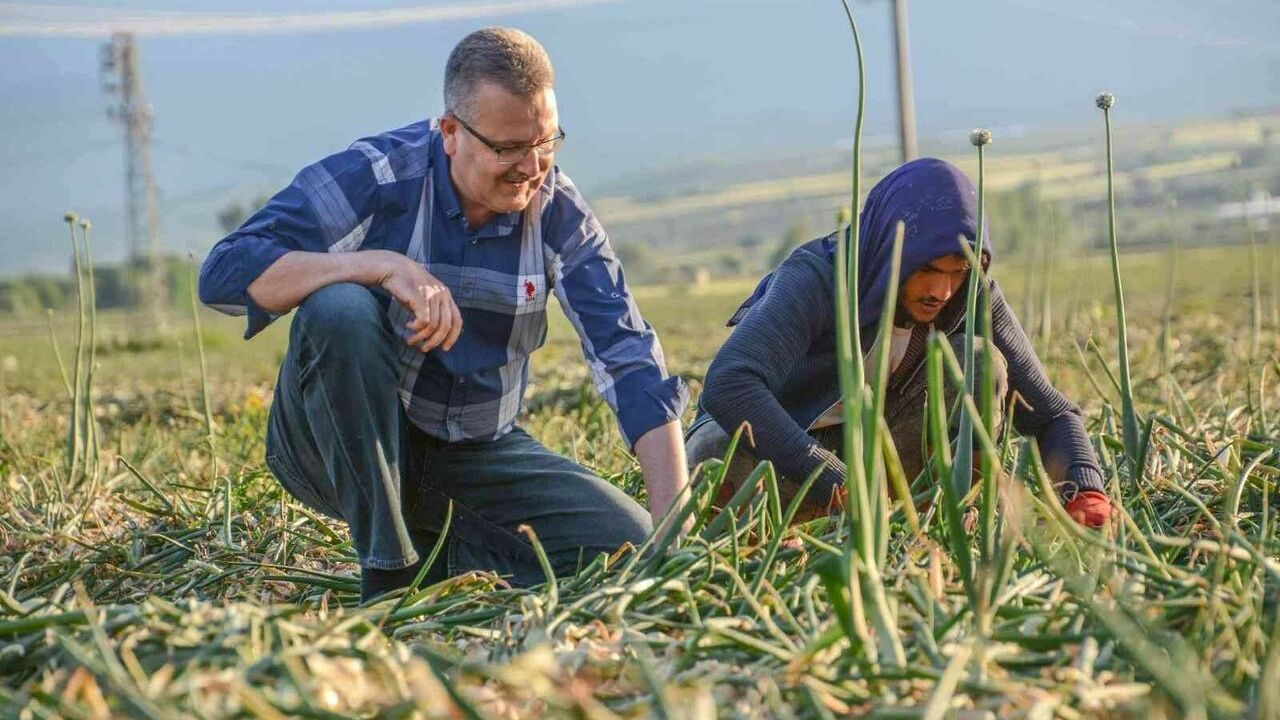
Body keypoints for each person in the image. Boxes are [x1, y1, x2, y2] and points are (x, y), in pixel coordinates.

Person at [199, 28, 690, 600]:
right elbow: (225, 273)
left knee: (624, 550)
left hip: (471, 452)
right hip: (336, 443)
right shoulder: (380, 178)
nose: (530, 168)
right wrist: (376, 265)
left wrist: (673, 547)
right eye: (508, 148)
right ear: (451, 132)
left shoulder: (558, 212)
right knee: (339, 309)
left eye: (546, 142)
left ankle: (431, 566)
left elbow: (630, 364)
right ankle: (386, 571)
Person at [686, 158, 1112, 529]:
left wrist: (1086, 493)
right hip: (786, 456)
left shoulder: (971, 293)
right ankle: (771, 535)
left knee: (978, 364)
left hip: (877, 465)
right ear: (893, 251)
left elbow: (1051, 414)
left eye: (958, 271)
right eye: (926, 268)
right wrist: (831, 478)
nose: (941, 291)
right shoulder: (817, 279)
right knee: (712, 449)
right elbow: (730, 383)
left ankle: (925, 527)